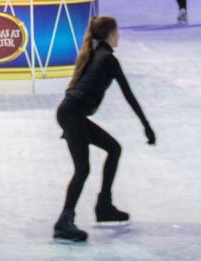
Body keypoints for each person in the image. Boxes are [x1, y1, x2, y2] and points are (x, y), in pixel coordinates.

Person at [52, 15, 155, 244]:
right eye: (117, 32)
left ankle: (104, 206)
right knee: (82, 169)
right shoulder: (107, 58)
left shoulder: (97, 54)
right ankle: (64, 222)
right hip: (72, 114)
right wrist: (146, 126)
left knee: (114, 149)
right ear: (110, 33)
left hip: (71, 114)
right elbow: (129, 95)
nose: (118, 36)